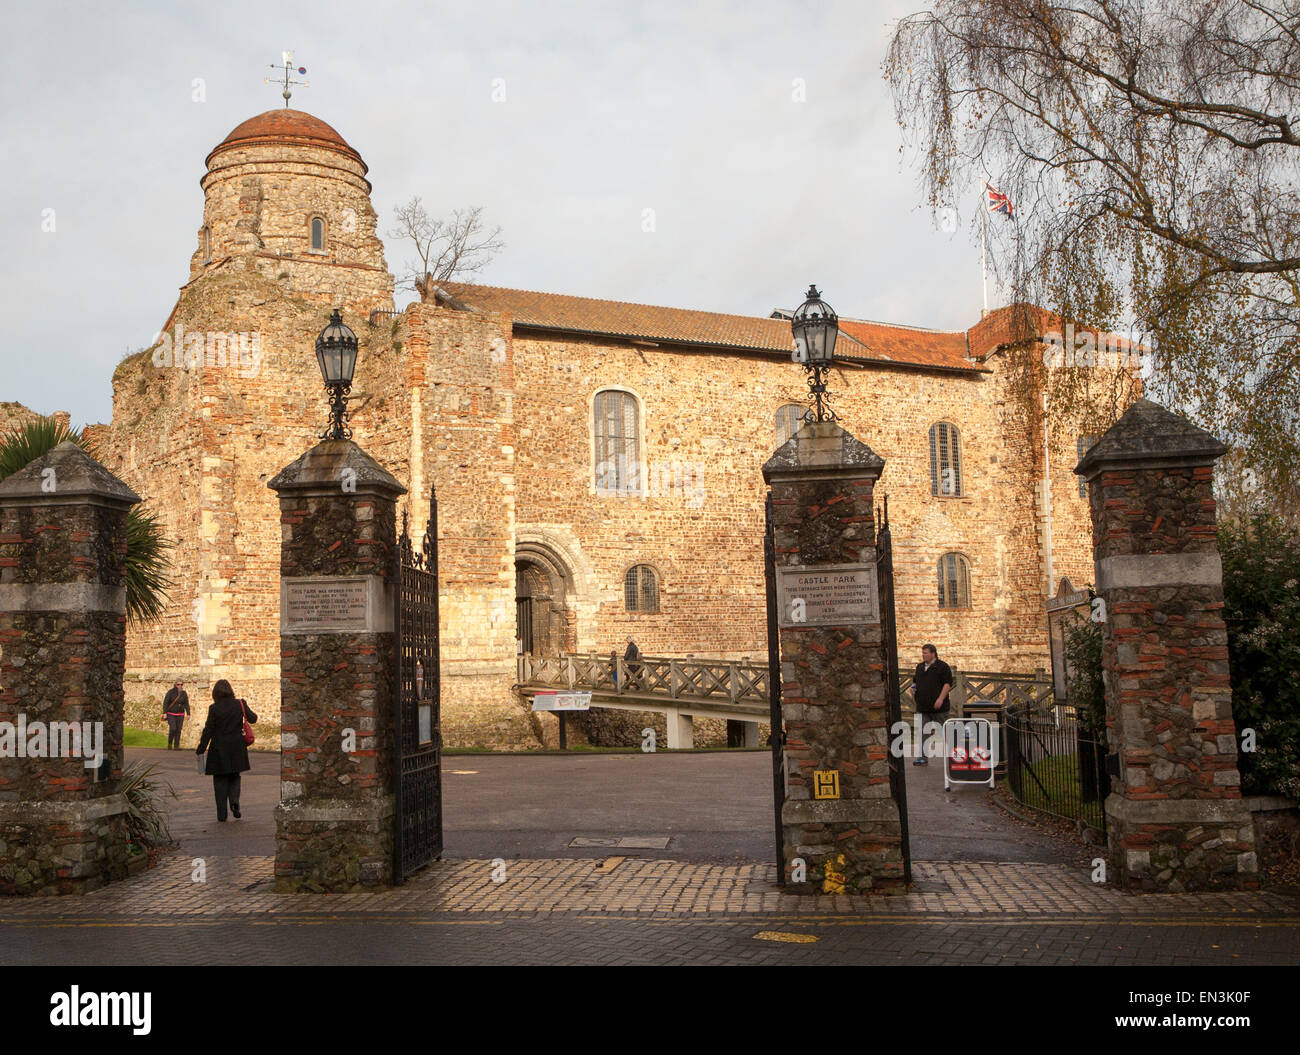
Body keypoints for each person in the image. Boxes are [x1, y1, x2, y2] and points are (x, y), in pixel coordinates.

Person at [195, 680, 257, 822]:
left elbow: (208, 730)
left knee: (220, 781)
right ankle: (234, 802)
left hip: (219, 749)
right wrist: (244, 709)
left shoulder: (214, 708)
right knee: (235, 776)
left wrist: (201, 748)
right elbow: (253, 719)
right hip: (237, 747)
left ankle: (222, 814)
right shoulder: (239, 704)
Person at [910, 643, 953, 766]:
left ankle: (954, 756)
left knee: (945, 732)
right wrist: (913, 687)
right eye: (922, 653)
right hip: (923, 707)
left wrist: (940, 699)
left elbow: (947, 684)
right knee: (922, 733)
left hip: (939, 708)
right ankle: (922, 758)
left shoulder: (943, 667)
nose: (923, 655)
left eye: (925, 653)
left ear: (933, 654)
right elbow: (915, 682)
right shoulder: (919, 667)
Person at [162, 679, 190, 750]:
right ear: (175, 684)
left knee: (178, 730)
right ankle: (170, 743)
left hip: (180, 714)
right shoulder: (170, 692)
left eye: (181, 684)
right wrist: (164, 713)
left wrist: (188, 713)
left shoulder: (184, 693)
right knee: (173, 728)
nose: (180, 686)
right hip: (171, 713)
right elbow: (165, 703)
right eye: (178, 684)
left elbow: (186, 703)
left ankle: (176, 746)